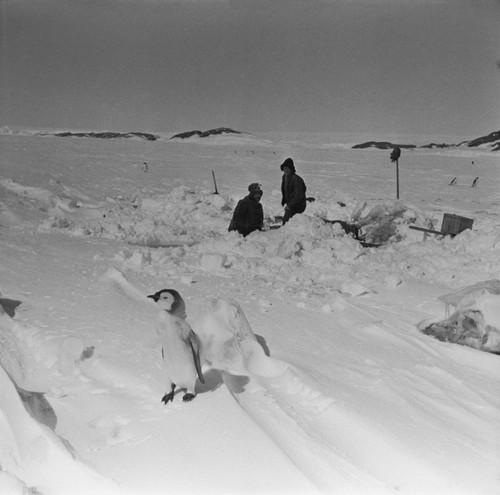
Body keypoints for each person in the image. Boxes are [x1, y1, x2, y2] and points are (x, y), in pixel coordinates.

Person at [280, 158, 307, 224]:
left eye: (288, 168)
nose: (286, 170)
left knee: (286, 221)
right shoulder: (285, 177)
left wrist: (289, 205)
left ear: (291, 169)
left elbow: (298, 196)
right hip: (291, 203)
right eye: (284, 168)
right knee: (287, 219)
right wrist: (284, 200)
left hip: (298, 205)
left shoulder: (297, 180)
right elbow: (285, 190)